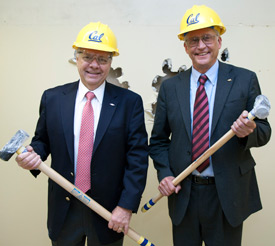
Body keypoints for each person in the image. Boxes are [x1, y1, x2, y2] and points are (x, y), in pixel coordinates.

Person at [15, 22, 148, 246]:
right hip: (64, 210)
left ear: (110, 62)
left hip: (108, 212)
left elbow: (137, 158)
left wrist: (125, 207)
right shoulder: (53, 98)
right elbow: (42, 142)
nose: (94, 65)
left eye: (102, 59)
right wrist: (30, 154)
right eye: (87, 57)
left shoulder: (129, 102)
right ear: (76, 57)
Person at [149, 5, 271, 246]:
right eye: (193, 40)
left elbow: (264, 131)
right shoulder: (171, 88)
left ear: (219, 40)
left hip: (228, 195)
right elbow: (159, 141)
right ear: (185, 47)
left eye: (207, 38)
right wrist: (164, 174)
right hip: (184, 193)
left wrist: (248, 133)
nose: (201, 46)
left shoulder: (244, 80)